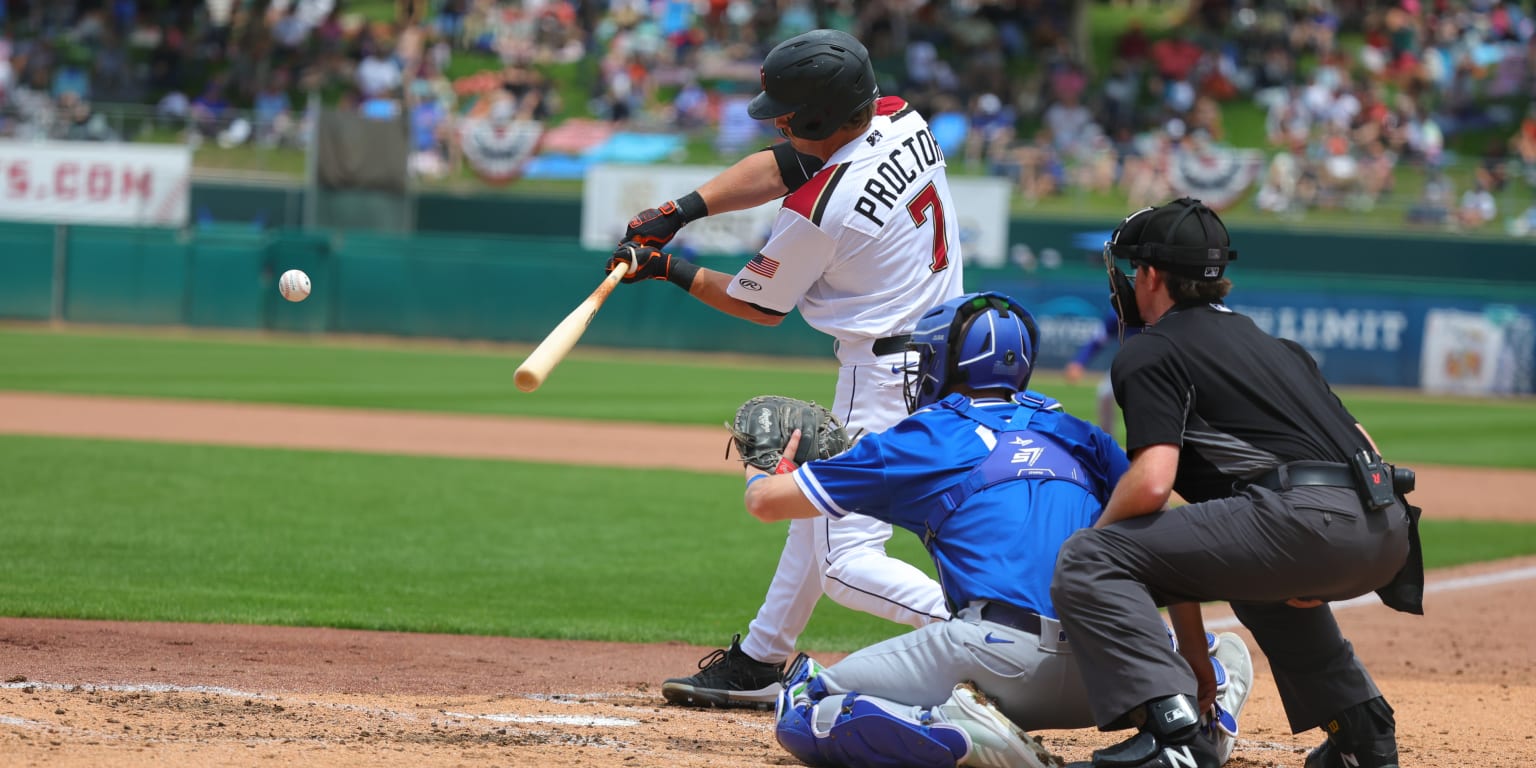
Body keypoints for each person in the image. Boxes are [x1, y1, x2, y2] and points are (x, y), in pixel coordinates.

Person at [606, 29, 964, 709]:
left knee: (845, 561)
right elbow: (788, 163)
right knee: (817, 503)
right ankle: (761, 657)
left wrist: (665, 268)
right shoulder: (899, 118)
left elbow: (757, 304)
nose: (778, 120)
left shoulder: (821, 213)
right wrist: (678, 213)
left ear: (820, 118)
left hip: (884, 377)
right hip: (946, 351)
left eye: (788, 113)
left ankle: (1000, 632)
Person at [742, 292, 1254, 768]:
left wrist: (763, 466)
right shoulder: (1081, 434)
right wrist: (1187, 664)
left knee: (804, 705)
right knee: (1215, 651)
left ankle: (965, 732)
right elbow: (1165, 547)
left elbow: (766, 504)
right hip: (1111, 670)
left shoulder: (924, 436)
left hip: (998, 660)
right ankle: (1202, 717)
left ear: (945, 363)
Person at [1051, 197, 1422, 768]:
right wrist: (1196, 655)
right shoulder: (1280, 348)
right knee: (1256, 575)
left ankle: (1171, 737)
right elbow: (1367, 448)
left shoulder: (1151, 350)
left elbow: (1152, 488)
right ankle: (1361, 733)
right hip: (1387, 529)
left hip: (1305, 523)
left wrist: (1101, 546)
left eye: (1131, 270)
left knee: (1087, 557)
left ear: (1151, 275)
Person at [1063, 312, 1140, 436]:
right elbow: (1097, 340)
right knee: (1105, 393)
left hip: (1157, 362)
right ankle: (1107, 442)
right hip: (1128, 361)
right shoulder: (1120, 310)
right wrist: (1079, 362)